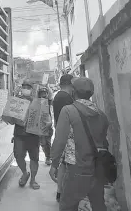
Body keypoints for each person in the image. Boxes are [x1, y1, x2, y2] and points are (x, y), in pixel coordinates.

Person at [49, 77, 109, 211]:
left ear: (73, 91)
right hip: (97, 169)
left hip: (77, 169)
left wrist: (54, 164)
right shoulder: (102, 114)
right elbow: (104, 142)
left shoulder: (68, 111)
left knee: (67, 206)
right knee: (99, 205)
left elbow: (60, 140)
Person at [12, 79, 41, 190]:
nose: (26, 89)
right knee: (18, 156)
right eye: (24, 87)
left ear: (32, 89)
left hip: (33, 136)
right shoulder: (17, 101)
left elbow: (43, 118)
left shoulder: (37, 102)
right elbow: (10, 116)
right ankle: (25, 173)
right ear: (21, 88)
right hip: (19, 134)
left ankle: (33, 180)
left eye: (28, 87)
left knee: (34, 158)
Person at [53, 74, 75, 202]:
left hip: (62, 132)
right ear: (70, 83)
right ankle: (61, 192)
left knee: (64, 163)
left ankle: (60, 192)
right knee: (65, 164)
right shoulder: (65, 97)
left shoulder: (59, 96)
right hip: (67, 134)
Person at [38, 85, 53, 165]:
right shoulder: (36, 102)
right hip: (39, 126)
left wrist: (47, 85)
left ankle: (49, 157)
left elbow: (51, 95)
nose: (43, 95)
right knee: (43, 143)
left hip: (47, 125)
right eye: (41, 93)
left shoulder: (48, 101)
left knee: (47, 142)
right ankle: (48, 156)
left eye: (45, 93)